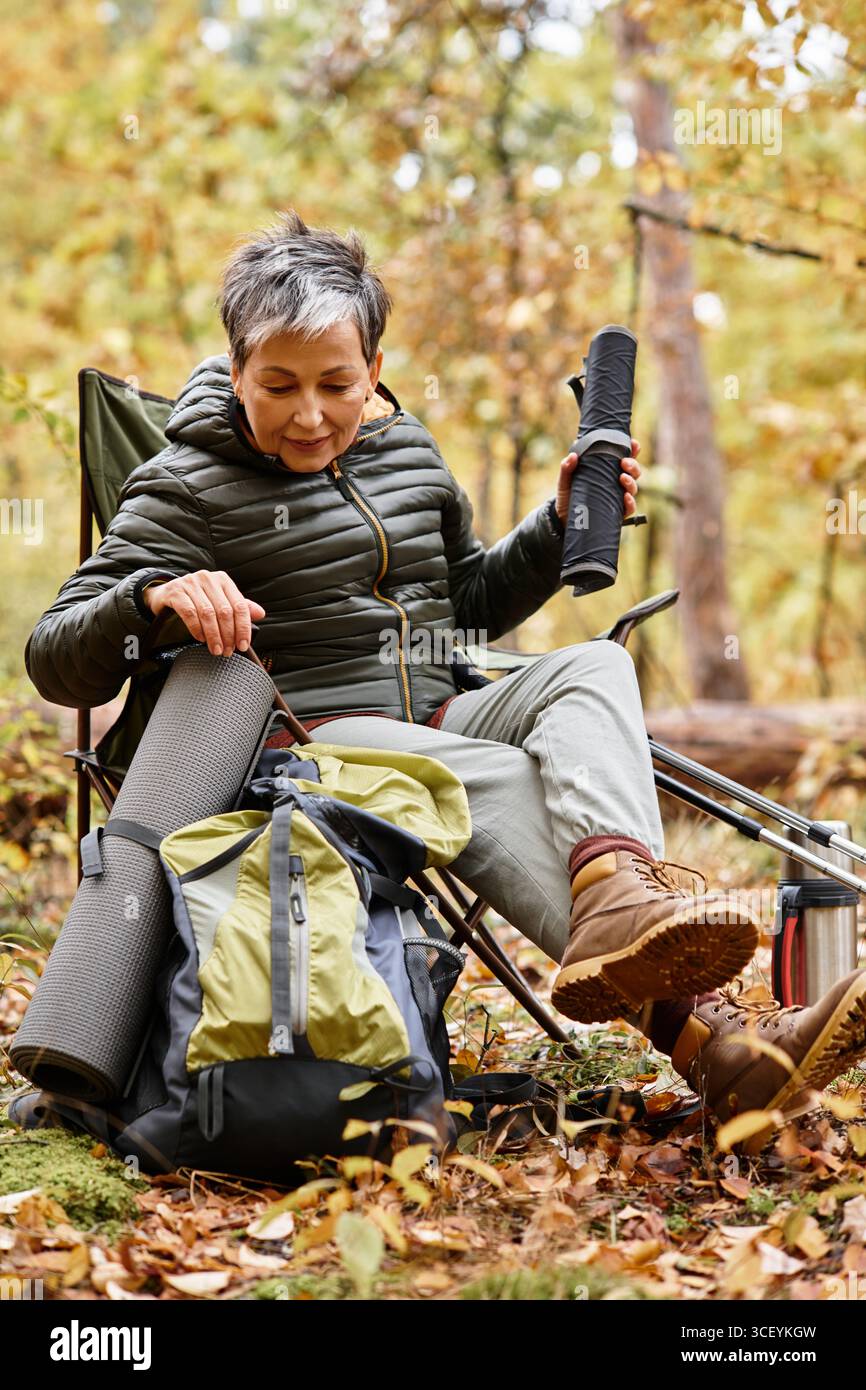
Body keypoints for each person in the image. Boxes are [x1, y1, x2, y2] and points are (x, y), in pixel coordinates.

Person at [24, 210, 866, 1149]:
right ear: (234, 369)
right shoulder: (186, 484)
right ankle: (720, 1040)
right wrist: (152, 597)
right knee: (496, 778)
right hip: (307, 743)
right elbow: (56, 657)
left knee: (592, 664)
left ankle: (617, 900)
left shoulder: (408, 450)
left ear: (374, 371)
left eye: (337, 384)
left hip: (444, 698)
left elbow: (469, 607)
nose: (310, 414)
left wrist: (554, 527)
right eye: (280, 385)